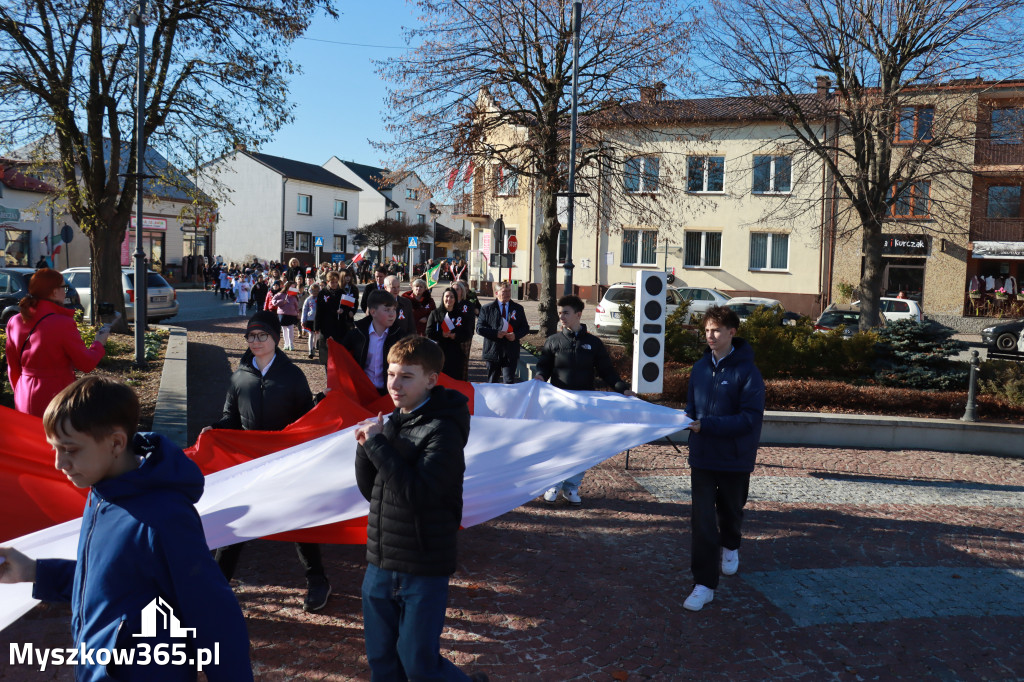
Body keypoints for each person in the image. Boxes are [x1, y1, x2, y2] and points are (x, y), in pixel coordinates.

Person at [0, 376, 253, 681]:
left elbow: (215, 618)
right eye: (55, 448)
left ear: (116, 443)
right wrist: (34, 572)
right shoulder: (100, 493)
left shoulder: (166, 518)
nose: (59, 463)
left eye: (69, 449)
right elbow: (109, 583)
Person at [354, 336, 488, 682]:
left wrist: (379, 446)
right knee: (382, 661)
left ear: (431, 379)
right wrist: (365, 449)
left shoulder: (443, 430)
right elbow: (375, 492)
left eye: (406, 376)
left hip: (422, 566)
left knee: (418, 664)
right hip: (380, 563)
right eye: (391, 373)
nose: (394, 385)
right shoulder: (395, 420)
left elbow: (417, 496)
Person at [202, 310, 332, 612]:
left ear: (275, 338)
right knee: (236, 525)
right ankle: (218, 584)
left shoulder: (292, 376)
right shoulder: (240, 376)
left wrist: (319, 405)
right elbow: (230, 417)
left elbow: (304, 420)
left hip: (286, 463)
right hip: (250, 464)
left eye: (262, 336)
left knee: (300, 523)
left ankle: (318, 580)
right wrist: (216, 429)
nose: (256, 341)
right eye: (251, 336)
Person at [682, 305, 765, 612]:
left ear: (732, 332)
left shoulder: (747, 372)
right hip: (702, 457)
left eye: (716, 330)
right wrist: (678, 420)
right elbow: (691, 409)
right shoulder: (700, 368)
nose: (710, 336)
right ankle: (704, 584)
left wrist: (709, 425)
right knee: (702, 522)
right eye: (706, 331)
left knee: (730, 513)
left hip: (734, 458)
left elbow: (750, 419)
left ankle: (731, 544)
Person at [535, 295, 636, 506]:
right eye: (560, 312)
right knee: (558, 444)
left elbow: (607, 372)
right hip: (559, 402)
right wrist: (539, 378)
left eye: (566, 312)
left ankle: (571, 487)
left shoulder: (593, 343)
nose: (561, 316)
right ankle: (553, 484)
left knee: (580, 447)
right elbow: (543, 366)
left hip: (584, 406)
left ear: (578, 314)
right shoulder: (553, 341)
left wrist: (624, 390)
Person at [4, 268, 109, 417]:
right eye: (63, 287)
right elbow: (86, 364)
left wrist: (20, 389)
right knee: (54, 439)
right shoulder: (62, 323)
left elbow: (13, 367)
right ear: (53, 292)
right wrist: (99, 343)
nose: (65, 291)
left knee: (31, 438)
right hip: (56, 394)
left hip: (23, 392)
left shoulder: (15, 321)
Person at [341, 290, 409, 395]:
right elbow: (341, 357)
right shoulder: (356, 334)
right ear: (373, 312)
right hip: (362, 391)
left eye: (394, 309)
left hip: (389, 394)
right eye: (387, 310)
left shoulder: (401, 337)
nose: (392, 314)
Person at [477, 280, 529, 384]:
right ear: (496, 293)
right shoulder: (487, 309)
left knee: (509, 382)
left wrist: (515, 335)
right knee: (492, 382)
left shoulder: (518, 308)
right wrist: (495, 333)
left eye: (509, 291)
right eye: (504, 291)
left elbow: (525, 328)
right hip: (493, 350)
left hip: (510, 351)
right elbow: (479, 328)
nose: (508, 294)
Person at [426, 287, 474, 381]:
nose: (449, 299)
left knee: (455, 381)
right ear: (443, 298)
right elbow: (428, 333)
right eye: (447, 296)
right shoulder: (435, 313)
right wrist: (441, 334)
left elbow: (467, 334)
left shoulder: (461, 315)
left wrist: (455, 336)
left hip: (455, 354)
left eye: (452, 297)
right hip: (438, 353)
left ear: (455, 299)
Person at [316, 271, 350, 366]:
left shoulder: (342, 292)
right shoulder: (322, 293)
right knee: (327, 353)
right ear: (327, 282)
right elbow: (319, 310)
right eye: (332, 282)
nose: (334, 284)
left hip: (339, 326)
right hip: (326, 325)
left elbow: (348, 307)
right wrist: (316, 327)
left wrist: (343, 311)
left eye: (336, 282)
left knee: (339, 352)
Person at [271, 280, 301, 351]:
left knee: (290, 329)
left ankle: (291, 344)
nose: (292, 287)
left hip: (291, 314)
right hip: (282, 314)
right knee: (284, 329)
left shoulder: (294, 296)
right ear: (287, 286)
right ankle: (286, 344)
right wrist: (281, 301)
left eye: (294, 286)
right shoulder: (280, 294)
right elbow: (273, 301)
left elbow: (297, 305)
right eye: (291, 286)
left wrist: (298, 313)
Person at [301, 282, 320, 359]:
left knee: (316, 335)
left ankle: (314, 346)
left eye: (316, 291)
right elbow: (304, 310)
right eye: (313, 291)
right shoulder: (308, 300)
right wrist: (303, 320)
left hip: (318, 319)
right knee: (311, 334)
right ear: (310, 291)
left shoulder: (320, 299)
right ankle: (310, 350)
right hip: (310, 319)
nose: (315, 292)